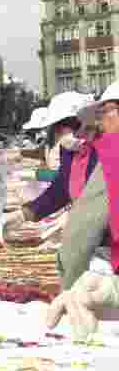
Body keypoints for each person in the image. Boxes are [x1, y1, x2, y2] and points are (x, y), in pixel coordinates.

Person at [0, 92, 97, 238]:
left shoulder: (100, 151)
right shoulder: (67, 148)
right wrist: (20, 215)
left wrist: (36, 175)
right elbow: (61, 188)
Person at [57, 83, 119, 289]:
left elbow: (82, 231)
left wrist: (67, 287)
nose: (100, 124)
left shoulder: (113, 151)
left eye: (103, 114)